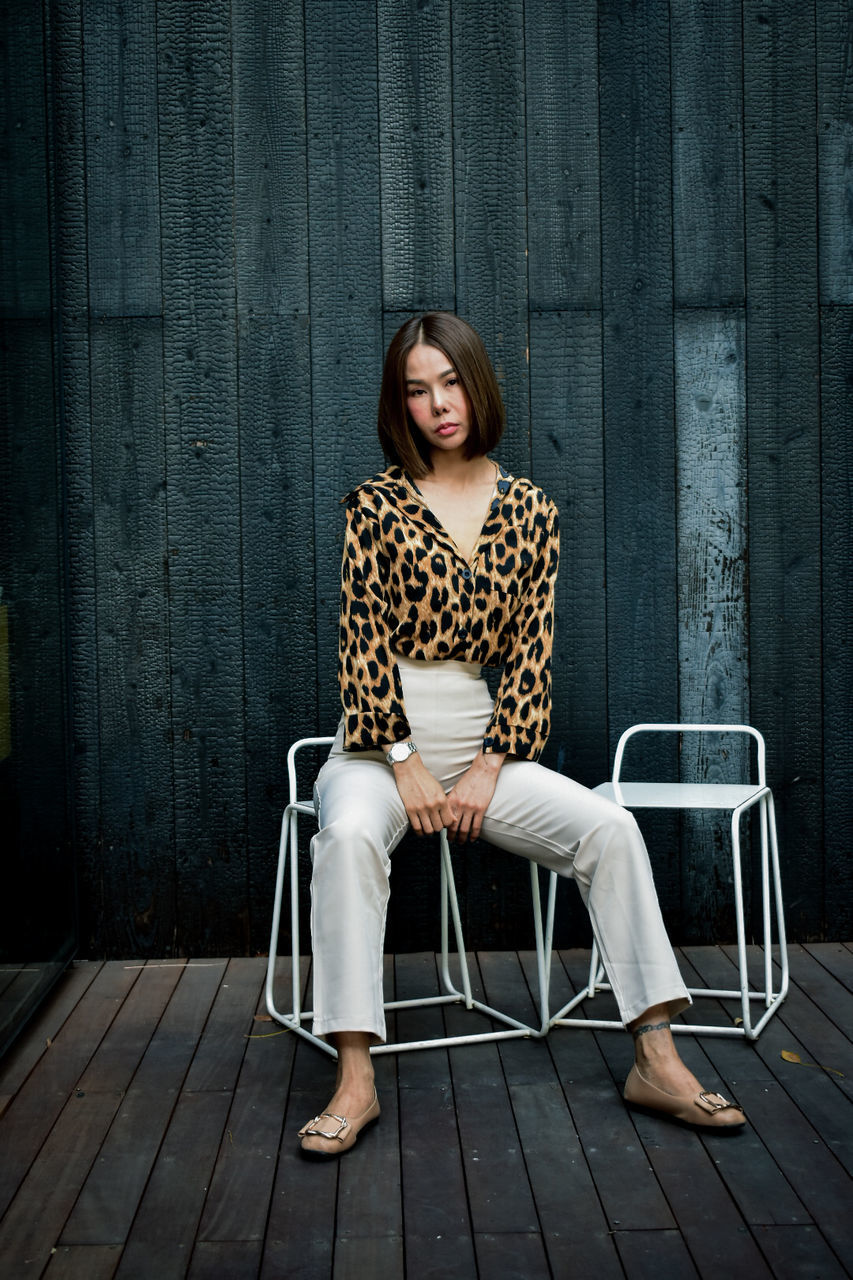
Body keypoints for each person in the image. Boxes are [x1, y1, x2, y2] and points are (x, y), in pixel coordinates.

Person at [297, 312, 745, 1158]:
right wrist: (402, 761)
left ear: (476, 382)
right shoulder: (375, 505)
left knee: (609, 830)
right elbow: (361, 646)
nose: (438, 404)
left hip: (482, 745)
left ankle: (656, 1057)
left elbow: (530, 661)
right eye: (417, 390)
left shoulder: (530, 511)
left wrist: (487, 764)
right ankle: (354, 1077)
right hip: (374, 746)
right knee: (349, 834)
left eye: (451, 382)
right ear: (401, 405)